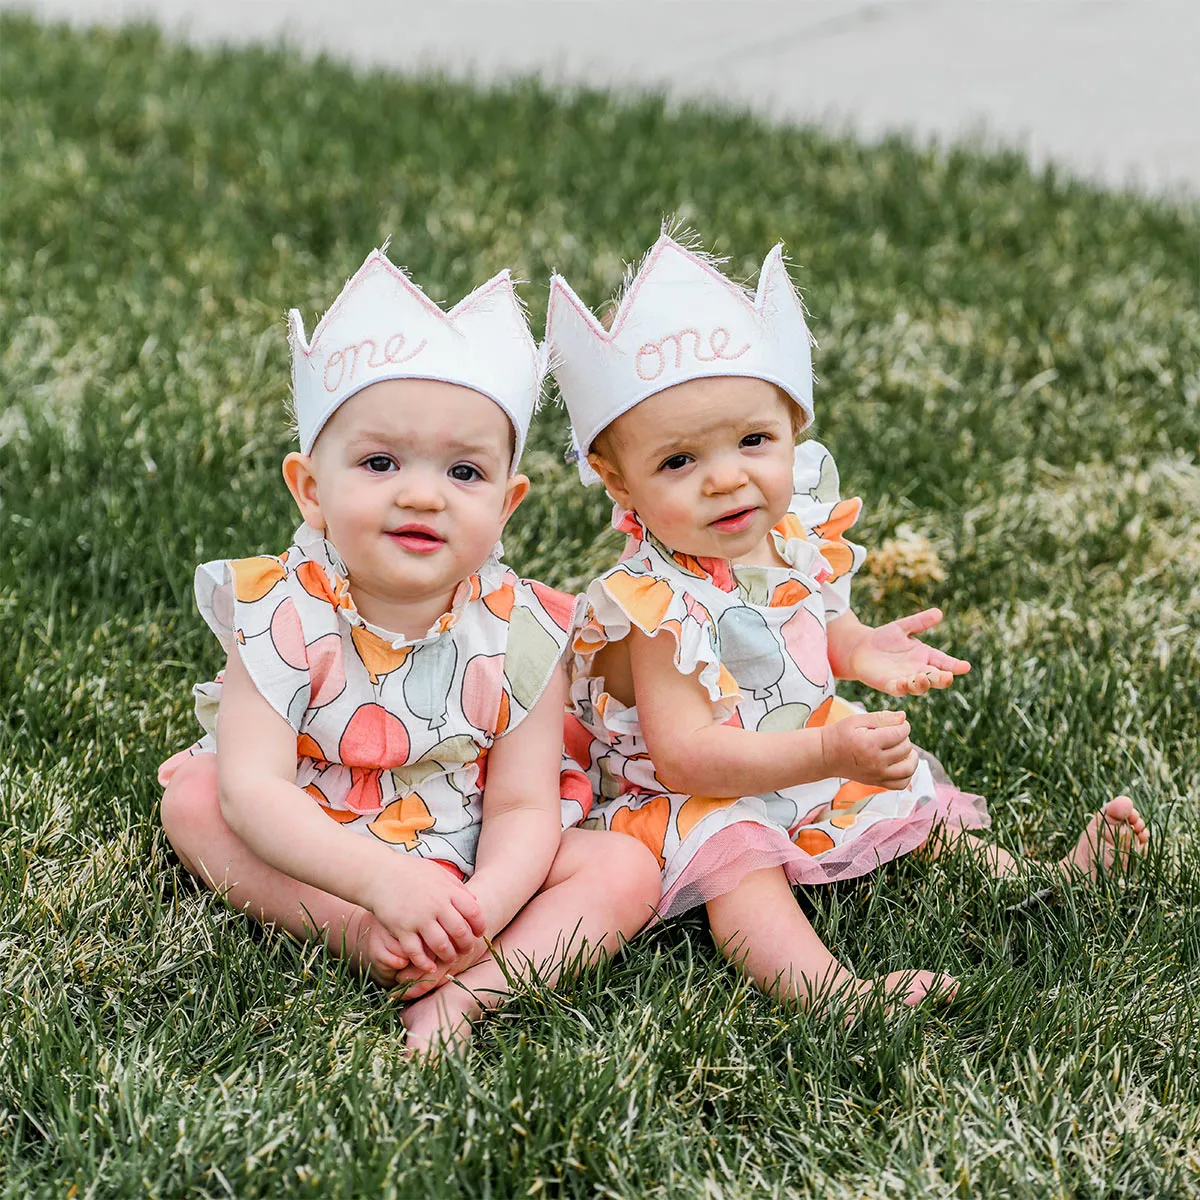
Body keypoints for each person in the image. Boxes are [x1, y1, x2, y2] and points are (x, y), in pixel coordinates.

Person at [546, 229, 1149, 1014]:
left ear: (793, 426)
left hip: (804, 748)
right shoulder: (655, 605)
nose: (727, 478)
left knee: (911, 799)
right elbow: (690, 759)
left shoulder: (792, 538)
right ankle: (830, 990)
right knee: (737, 859)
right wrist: (824, 749)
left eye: (753, 441)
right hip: (702, 793)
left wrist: (864, 650)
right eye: (678, 462)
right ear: (616, 479)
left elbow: (816, 627)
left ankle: (1038, 878)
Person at [159, 248, 660, 1056]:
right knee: (194, 797)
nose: (422, 493)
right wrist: (379, 888)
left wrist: (480, 910)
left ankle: (465, 987)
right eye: (381, 462)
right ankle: (360, 935)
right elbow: (256, 789)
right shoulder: (281, 610)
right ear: (311, 490)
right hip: (321, 844)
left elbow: (527, 806)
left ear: (506, 505)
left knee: (626, 871)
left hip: (470, 849)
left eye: (464, 472)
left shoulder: (525, 631)